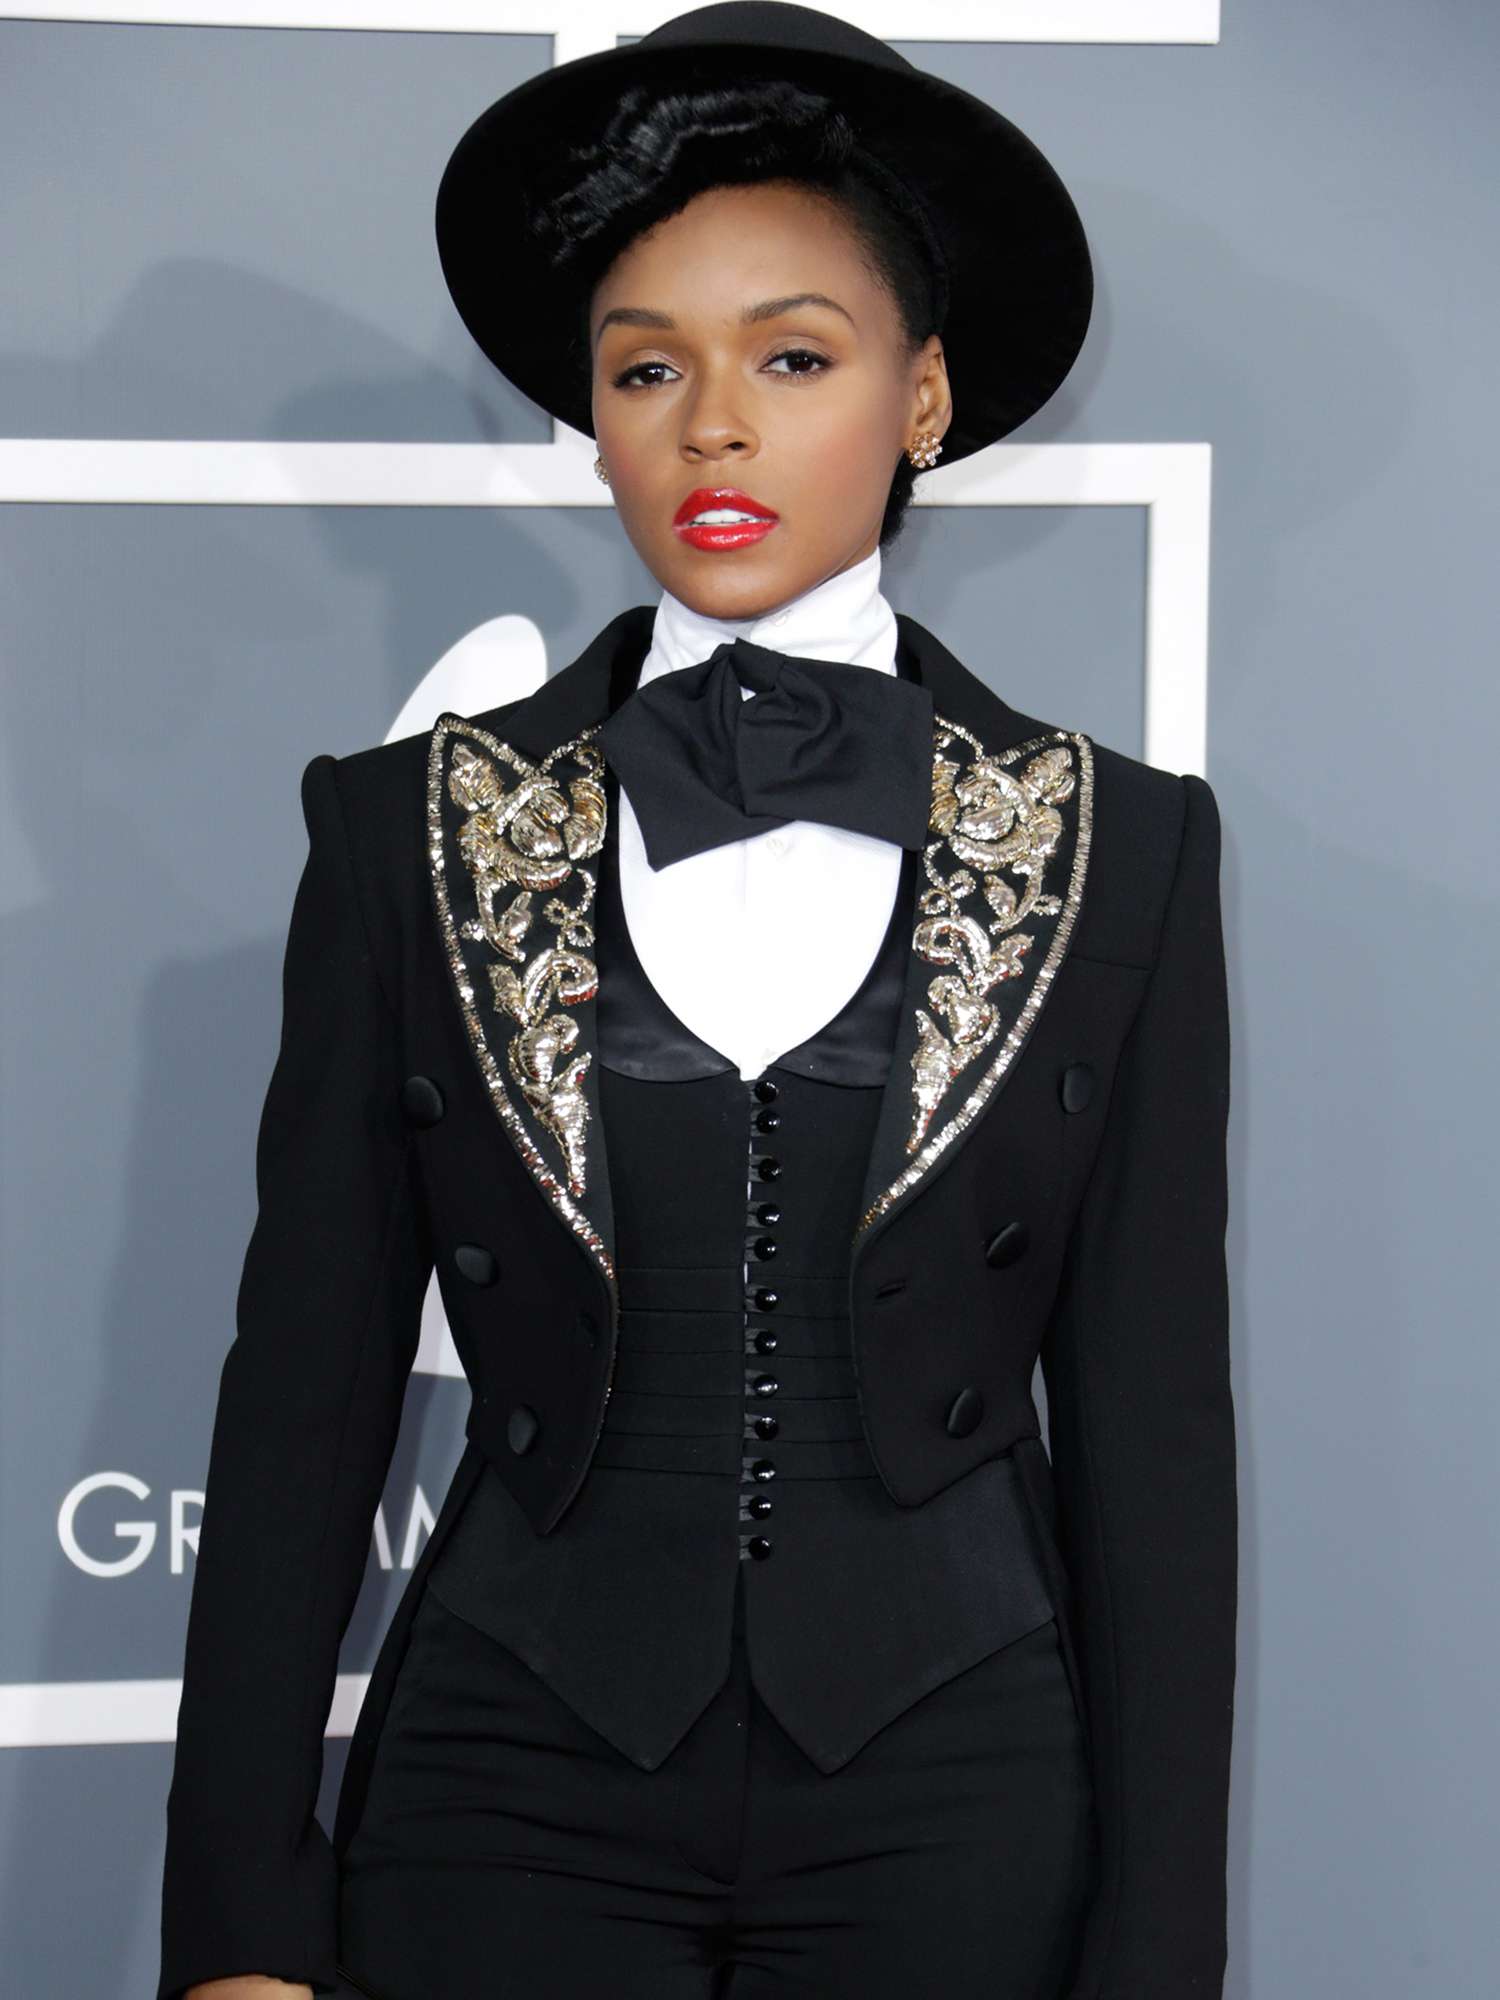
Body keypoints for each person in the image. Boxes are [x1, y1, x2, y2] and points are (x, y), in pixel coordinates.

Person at [158, 7, 1237, 1998]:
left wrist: (1159, 1944)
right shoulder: (408, 831)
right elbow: (301, 1394)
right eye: (649, 365)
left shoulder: (1124, 848)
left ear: (922, 399)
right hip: (505, 1788)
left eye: (794, 357)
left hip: (961, 1792)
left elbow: (1160, 1435)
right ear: (595, 410)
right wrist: (235, 1918)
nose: (712, 425)